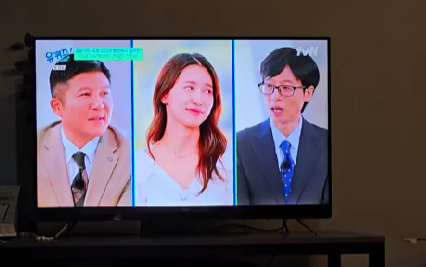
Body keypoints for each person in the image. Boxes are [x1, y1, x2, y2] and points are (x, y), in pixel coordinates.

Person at [135, 53, 232, 206]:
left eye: (207, 91)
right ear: (164, 94)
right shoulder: (139, 167)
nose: (198, 100)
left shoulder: (227, 163)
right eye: (189, 88)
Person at [236, 47, 329, 205]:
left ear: (308, 93)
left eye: (286, 88)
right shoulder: (242, 144)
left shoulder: (326, 143)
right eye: (269, 86)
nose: (275, 97)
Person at [37, 54, 132, 207]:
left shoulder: (130, 157)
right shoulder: (34, 148)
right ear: (57, 107)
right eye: (86, 94)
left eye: (104, 93)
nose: (99, 105)